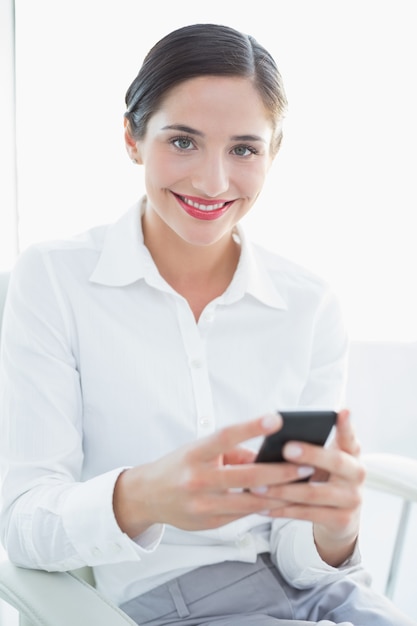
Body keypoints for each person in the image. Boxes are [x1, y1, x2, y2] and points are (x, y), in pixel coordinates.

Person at [0, 23, 414, 626]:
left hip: (331, 599)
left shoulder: (309, 304)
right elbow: (21, 523)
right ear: (132, 137)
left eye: (244, 149)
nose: (214, 181)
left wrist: (336, 524)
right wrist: (141, 497)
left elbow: (304, 562)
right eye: (184, 141)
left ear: (273, 154)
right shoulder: (54, 279)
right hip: (168, 605)